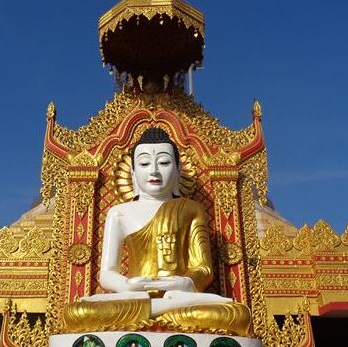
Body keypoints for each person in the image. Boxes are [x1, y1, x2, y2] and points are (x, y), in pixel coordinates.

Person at [63, 128, 251, 335]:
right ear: (133, 173)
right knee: (78, 312)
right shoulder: (119, 213)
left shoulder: (191, 208)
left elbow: (204, 270)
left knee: (235, 314)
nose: (154, 171)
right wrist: (128, 285)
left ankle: (157, 311)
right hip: (135, 297)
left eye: (163, 162)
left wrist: (184, 283)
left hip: (180, 298)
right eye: (144, 164)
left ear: (178, 170)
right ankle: (158, 311)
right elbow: (107, 275)